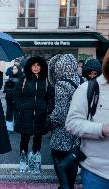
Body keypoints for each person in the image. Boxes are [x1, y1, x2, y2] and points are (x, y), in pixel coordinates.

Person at [65, 49, 109, 189]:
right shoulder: (88, 88)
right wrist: (101, 129)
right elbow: (71, 123)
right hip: (97, 173)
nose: (91, 75)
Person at [14, 56, 54, 174]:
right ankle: (23, 160)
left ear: (41, 67)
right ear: (30, 67)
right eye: (34, 65)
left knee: (38, 139)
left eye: (38, 66)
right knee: (24, 139)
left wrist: (47, 108)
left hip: (40, 115)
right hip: (25, 114)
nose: (36, 68)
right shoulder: (24, 79)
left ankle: (35, 161)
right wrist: (20, 107)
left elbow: (51, 97)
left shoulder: (46, 80)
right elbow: (16, 95)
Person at [48, 54, 81, 189]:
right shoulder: (79, 81)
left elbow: (60, 114)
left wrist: (50, 120)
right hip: (76, 131)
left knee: (60, 164)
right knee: (71, 165)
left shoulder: (61, 84)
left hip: (63, 133)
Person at [3, 63, 23, 133]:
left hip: (17, 98)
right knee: (9, 112)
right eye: (13, 69)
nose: (13, 70)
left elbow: (21, 89)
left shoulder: (22, 78)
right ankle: (9, 127)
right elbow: (5, 88)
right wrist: (7, 89)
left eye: (15, 69)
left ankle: (17, 126)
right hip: (9, 98)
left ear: (19, 69)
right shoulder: (10, 77)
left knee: (17, 112)